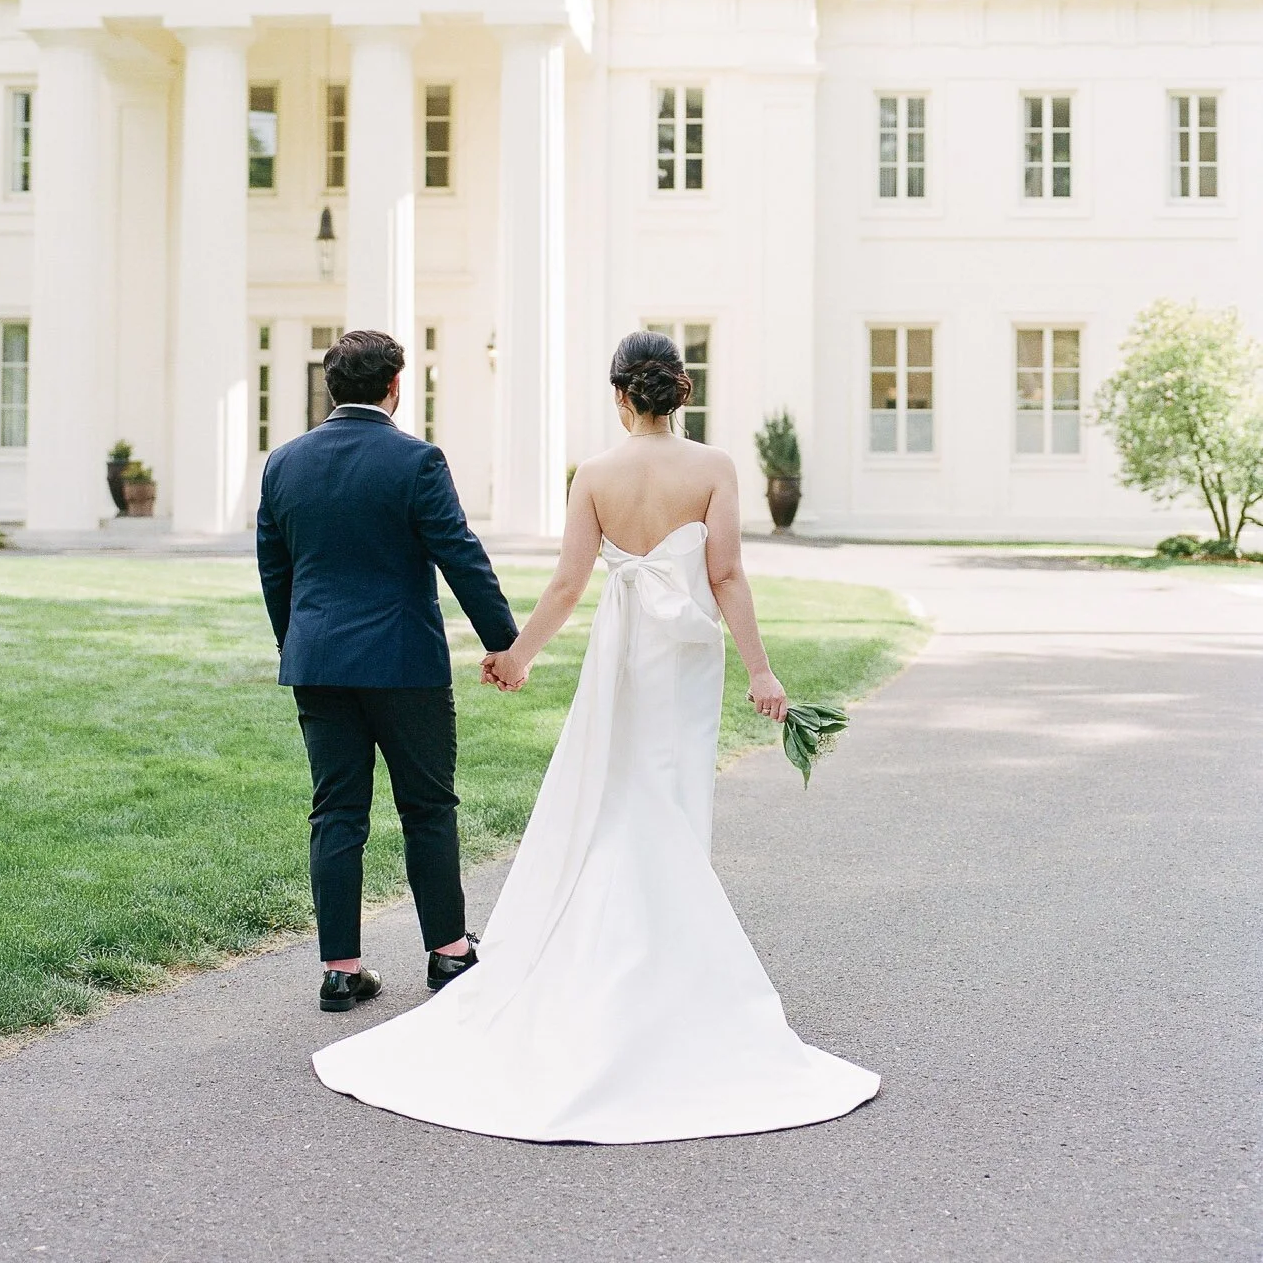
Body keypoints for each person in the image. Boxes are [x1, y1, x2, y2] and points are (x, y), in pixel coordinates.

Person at [312, 329, 880, 1142]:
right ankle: (667, 959)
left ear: (619, 395)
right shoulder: (714, 469)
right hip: (685, 654)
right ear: (681, 390)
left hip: (624, 650)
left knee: (616, 792)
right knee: (670, 796)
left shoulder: (597, 474)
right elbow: (725, 577)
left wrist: (517, 656)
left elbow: (569, 582)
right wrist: (763, 672)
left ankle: (612, 953)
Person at [257, 329, 518, 1012]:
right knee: (427, 806)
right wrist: (504, 644)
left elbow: (274, 571)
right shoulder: (416, 461)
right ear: (395, 387)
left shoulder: (283, 464)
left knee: (336, 812)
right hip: (405, 664)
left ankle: (341, 971)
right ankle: (449, 954)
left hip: (318, 664)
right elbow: (460, 555)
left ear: (330, 387)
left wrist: (301, 644)